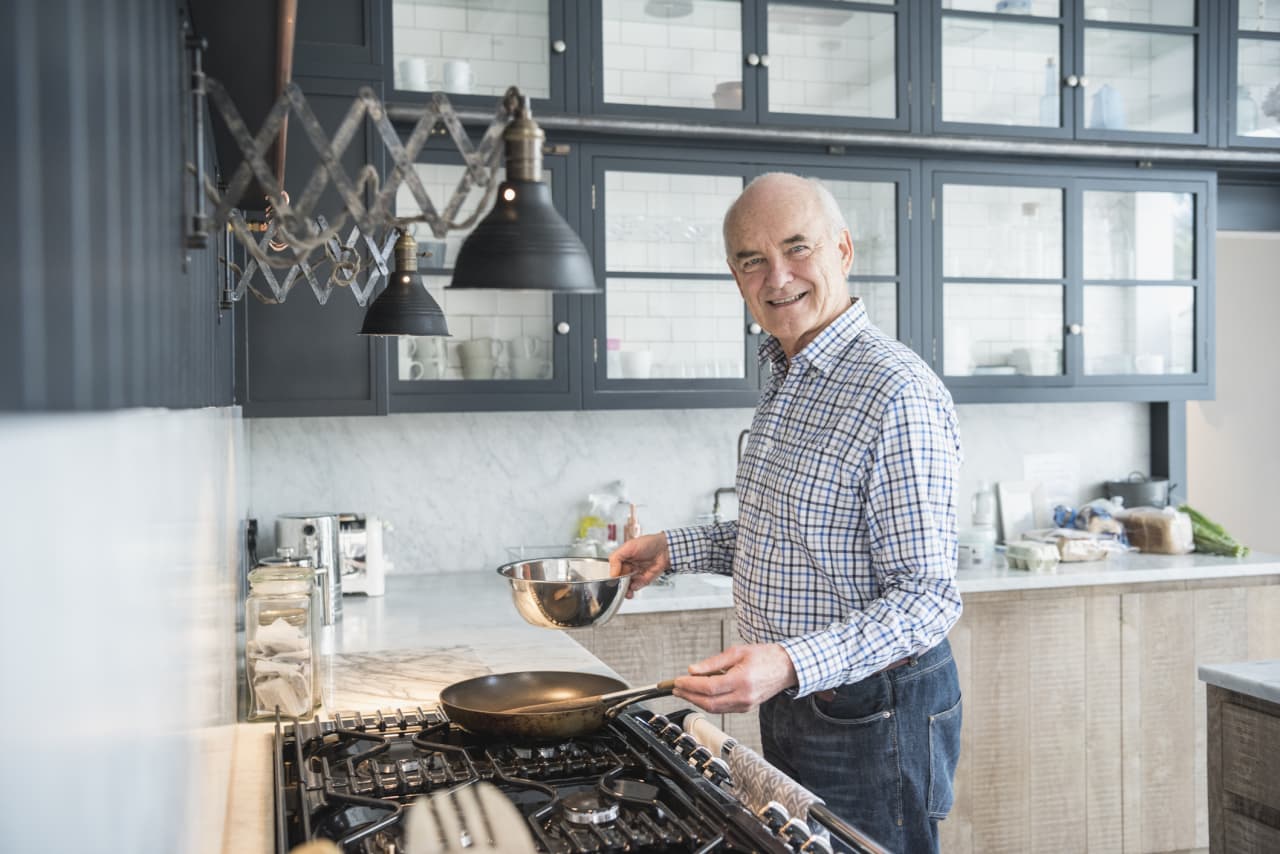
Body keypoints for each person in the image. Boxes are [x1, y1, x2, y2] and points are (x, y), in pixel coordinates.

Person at [609, 172, 963, 853]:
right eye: (753, 260)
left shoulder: (896, 391)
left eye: (798, 248)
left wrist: (789, 664)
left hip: (872, 710)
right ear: (736, 276)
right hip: (795, 695)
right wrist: (674, 548)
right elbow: (785, 535)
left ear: (842, 250)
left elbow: (927, 599)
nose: (777, 277)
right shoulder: (789, 374)